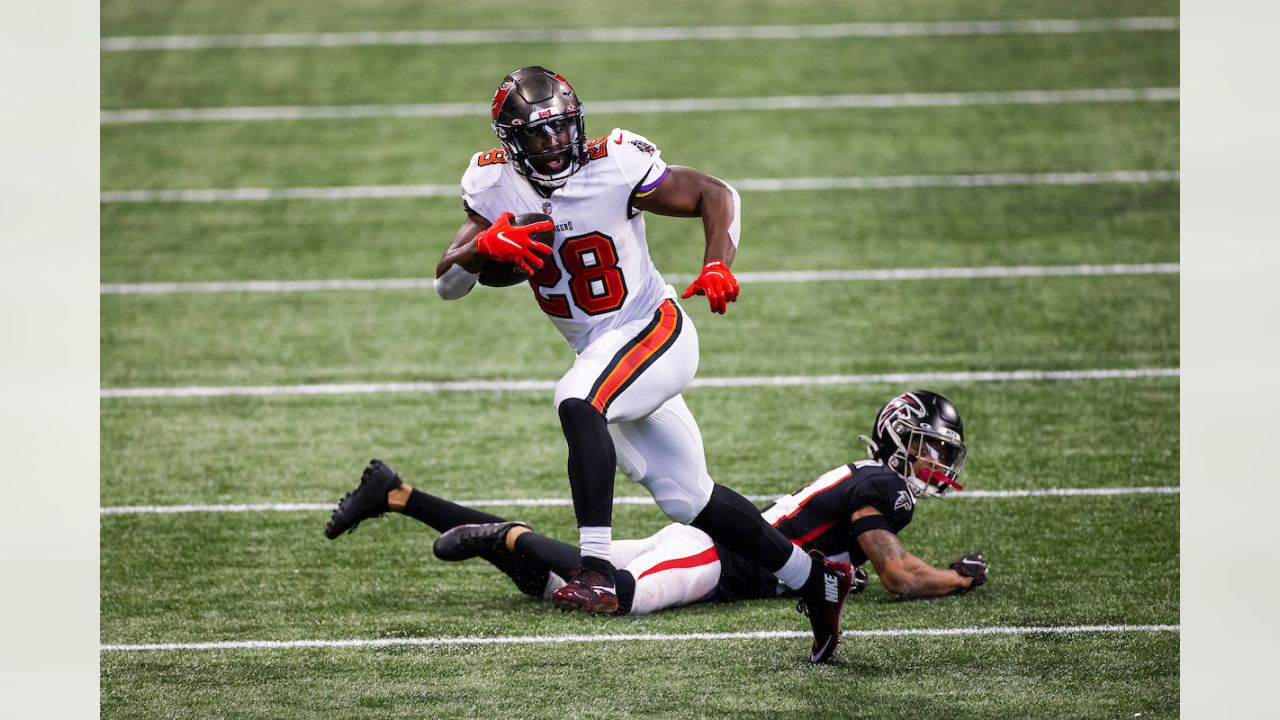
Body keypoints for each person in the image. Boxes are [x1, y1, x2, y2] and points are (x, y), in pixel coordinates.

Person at [425, 65, 852, 661]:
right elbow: (446, 285)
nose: (552, 144)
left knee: (578, 400)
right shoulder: (494, 184)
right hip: (603, 350)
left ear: (578, 124)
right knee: (688, 498)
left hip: (654, 328)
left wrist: (718, 261)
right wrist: (480, 249)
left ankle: (596, 567)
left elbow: (715, 192)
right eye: (537, 135)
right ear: (510, 143)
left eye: (560, 129)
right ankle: (817, 578)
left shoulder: (615, 163)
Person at [326, 391, 989, 659]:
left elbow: (858, 560)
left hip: (714, 548)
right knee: (610, 597)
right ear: (900, 441)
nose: (938, 461)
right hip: (720, 557)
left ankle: (396, 495)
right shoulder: (884, 488)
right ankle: (503, 537)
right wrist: (958, 580)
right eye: (931, 447)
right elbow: (898, 573)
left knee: (553, 582)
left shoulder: (866, 482)